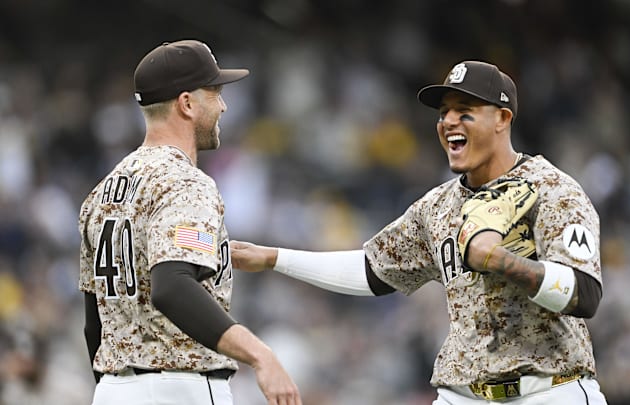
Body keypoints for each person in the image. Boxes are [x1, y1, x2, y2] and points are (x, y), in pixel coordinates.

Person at [230, 61, 608, 404]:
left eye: (465, 112)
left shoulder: (552, 189)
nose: (449, 122)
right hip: (463, 395)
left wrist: (502, 260)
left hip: (549, 391)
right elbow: (374, 272)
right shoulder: (437, 206)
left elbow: (585, 293)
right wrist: (274, 258)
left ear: (502, 118)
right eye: (444, 113)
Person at [78, 39, 302, 405]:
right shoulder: (185, 182)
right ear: (187, 103)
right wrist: (260, 354)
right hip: (181, 387)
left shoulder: (102, 191)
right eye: (215, 92)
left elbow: (94, 323)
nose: (224, 105)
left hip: (112, 391)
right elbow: (173, 284)